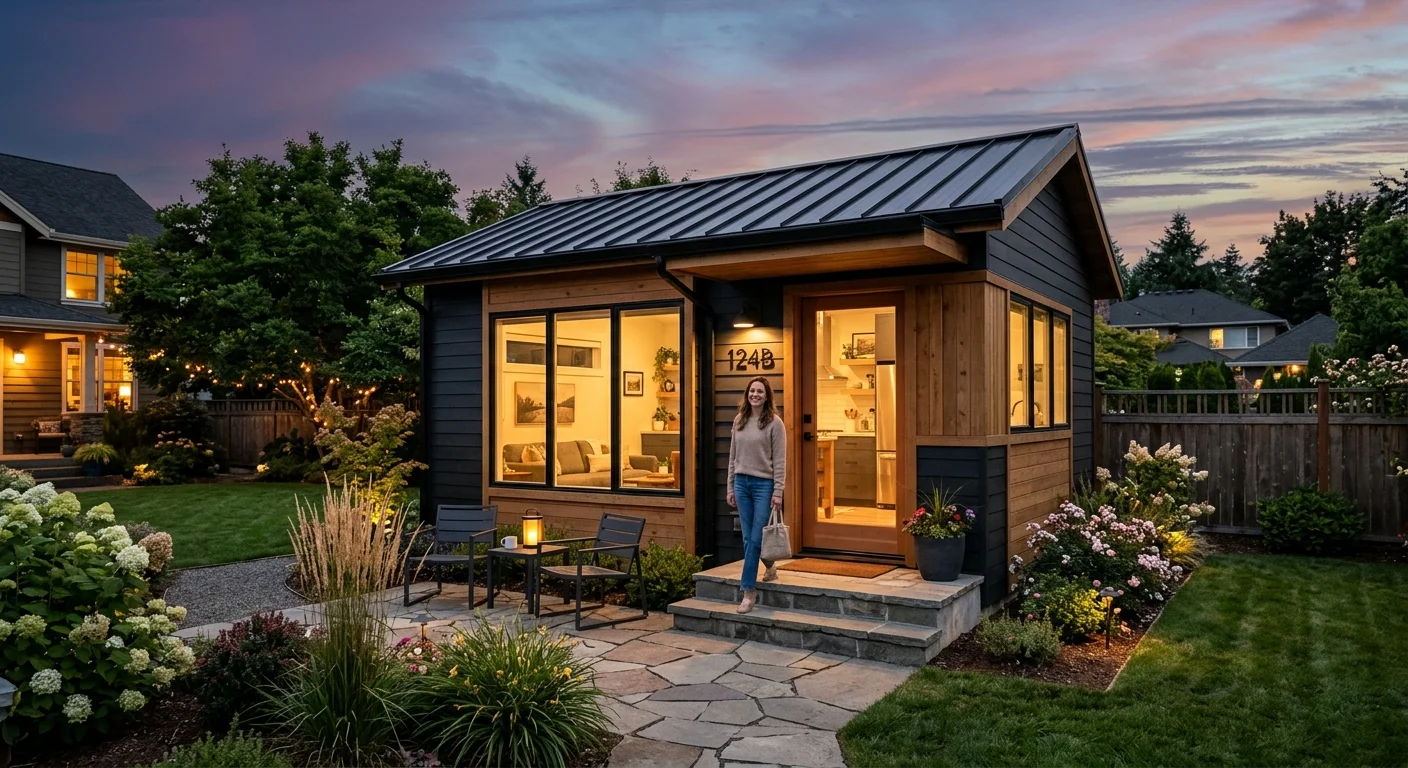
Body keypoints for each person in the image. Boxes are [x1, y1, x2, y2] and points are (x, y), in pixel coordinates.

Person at [726, 375, 786, 614]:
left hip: (764, 486)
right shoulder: (739, 420)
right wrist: (730, 486)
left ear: (767, 395)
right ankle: (770, 566)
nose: (755, 395)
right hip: (741, 484)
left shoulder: (774, 423)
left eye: (760, 391)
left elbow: (780, 460)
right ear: (747, 394)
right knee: (748, 538)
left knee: (753, 539)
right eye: (752, 391)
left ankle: (748, 592)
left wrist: (778, 491)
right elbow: (732, 457)